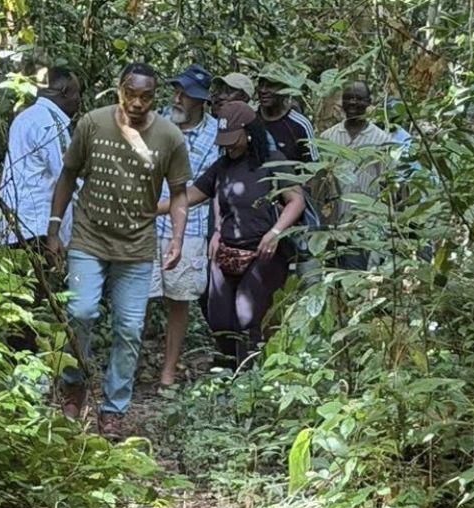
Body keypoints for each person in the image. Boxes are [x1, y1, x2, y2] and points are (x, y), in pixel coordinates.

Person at [47, 62, 192, 437]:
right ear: (119, 90)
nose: (138, 103)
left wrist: (177, 239)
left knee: (129, 328)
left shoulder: (170, 136)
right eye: (131, 94)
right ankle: (73, 386)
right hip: (89, 239)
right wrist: (54, 226)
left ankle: (113, 411)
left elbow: (179, 193)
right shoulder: (92, 123)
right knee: (80, 311)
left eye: (146, 96)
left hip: (137, 246)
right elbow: (68, 174)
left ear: (155, 97)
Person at [161, 102, 305, 367]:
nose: (229, 147)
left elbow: (296, 201)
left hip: (263, 253)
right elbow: (191, 196)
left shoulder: (273, 161)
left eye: (233, 140)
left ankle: (248, 377)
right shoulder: (222, 166)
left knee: (247, 316)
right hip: (226, 251)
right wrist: (150, 208)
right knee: (219, 320)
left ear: (249, 133)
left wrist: (275, 232)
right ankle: (231, 368)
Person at [151, 64, 219, 387]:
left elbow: (206, 188)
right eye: (176, 91)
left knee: (179, 300)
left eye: (186, 95)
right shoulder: (157, 122)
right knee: (137, 295)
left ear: (201, 100)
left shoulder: (216, 134)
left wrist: (157, 208)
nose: (177, 98)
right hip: (147, 226)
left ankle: (168, 371)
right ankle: (127, 365)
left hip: (190, 228)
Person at [0, 67, 82, 249]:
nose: (78, 100)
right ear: (64, 92)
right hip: (38, 228)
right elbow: (66, 176)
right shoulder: (51, 123)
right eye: (77, 93)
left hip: (12, 225)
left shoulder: (24, 118)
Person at [320, 81, 395, 270]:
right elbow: (320, 182)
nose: (353, 103)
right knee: (333, 276)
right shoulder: (328, 137)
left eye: (359, 98)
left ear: (369, 102)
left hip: (366, 225)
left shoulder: (382, 140)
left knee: (357, 276)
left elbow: (389, 185)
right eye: (348, 98)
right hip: (334, 226)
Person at [256, 66, 318, 164]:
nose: (263, 90)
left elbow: (313, 166)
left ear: (286, 89)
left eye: (271, 85)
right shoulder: (250, 117)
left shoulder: (300, 124)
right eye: (261, 84)